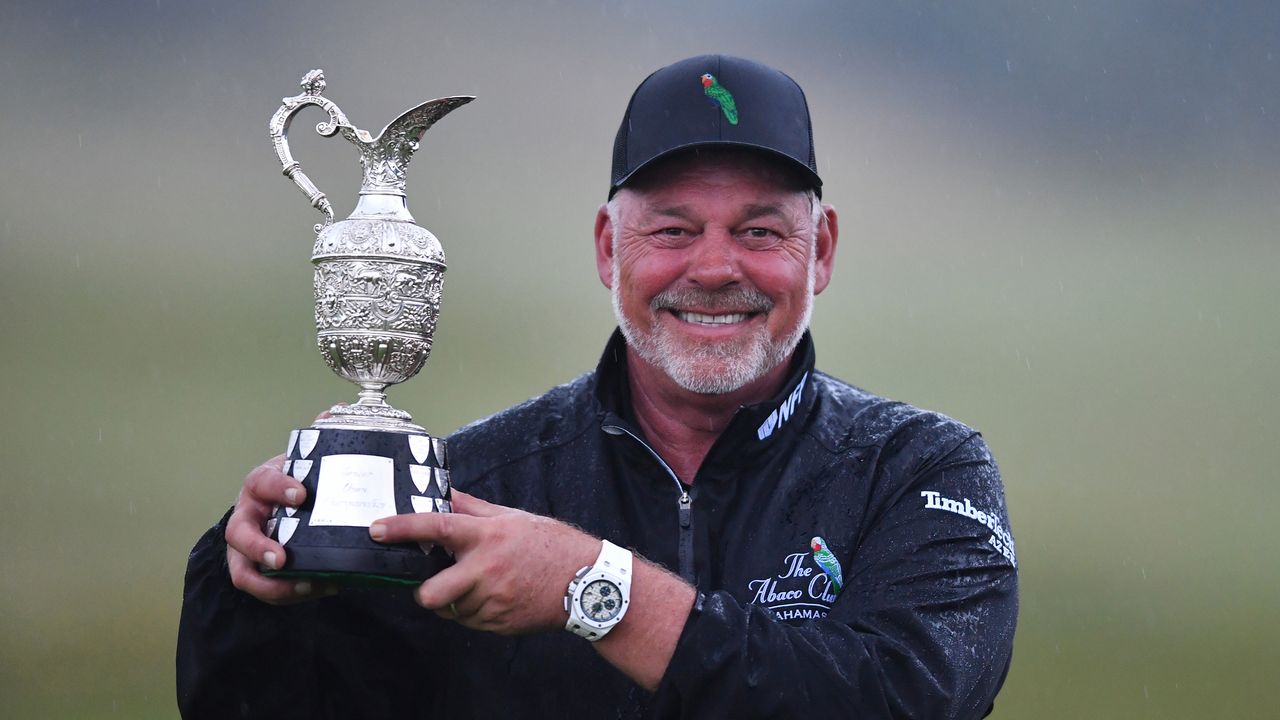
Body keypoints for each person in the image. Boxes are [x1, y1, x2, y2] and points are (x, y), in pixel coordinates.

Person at [178, 54, 1017, 719]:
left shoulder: (919, 474)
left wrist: (590, 587)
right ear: (609, 249)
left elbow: (901, 702)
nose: (716, 266)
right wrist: (253, 576)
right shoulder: (472, 488)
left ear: (821, 249)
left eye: (760, 230)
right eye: (673, 230)